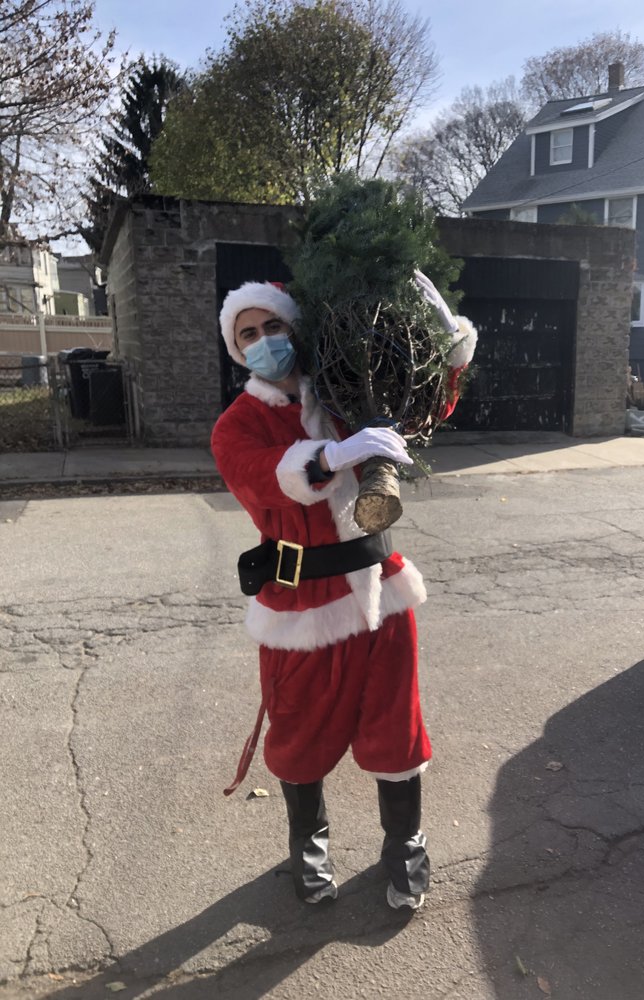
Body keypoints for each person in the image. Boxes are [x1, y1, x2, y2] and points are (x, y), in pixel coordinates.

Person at [211, 278, 476, 910]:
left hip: (381, 590)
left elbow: (426, 408)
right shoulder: (236, 425)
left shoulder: (346, 391)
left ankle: (405, 844)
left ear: (295, 329)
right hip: (298, 606)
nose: (264, 342)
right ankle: (308, 847)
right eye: (248, 335)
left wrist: (450, 348)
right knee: (300, 734)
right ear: (236, 350)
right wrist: (333, 454)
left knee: (396, 725)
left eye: (272, 328)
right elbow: (265, 481)